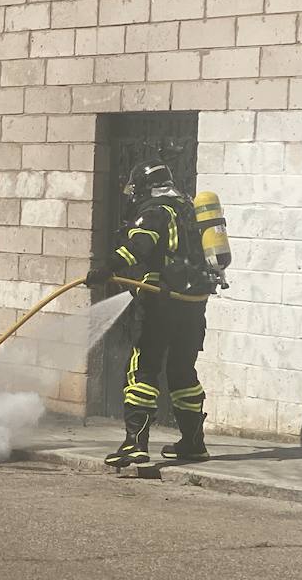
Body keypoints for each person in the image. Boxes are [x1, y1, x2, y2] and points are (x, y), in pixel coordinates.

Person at [85, 160, 215, 467]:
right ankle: (193, 444)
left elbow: (139, 246)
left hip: (160, 303)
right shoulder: (188, 210)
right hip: (193, 305)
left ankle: (135, 444)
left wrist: (106, 269)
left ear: (144, 187)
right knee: (183, 372)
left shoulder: (155, 210)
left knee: (142, 371)